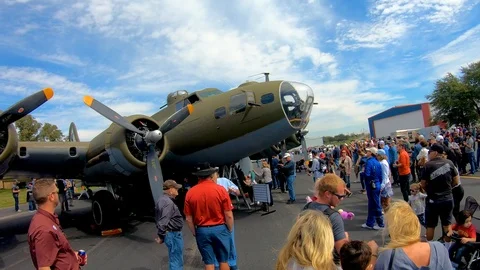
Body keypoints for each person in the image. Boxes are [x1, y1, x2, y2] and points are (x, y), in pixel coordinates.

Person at [27, 178, 87, 269]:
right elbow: (44, 268)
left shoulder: (48, 219)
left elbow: (56, 250)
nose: (58, 194)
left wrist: (72, 256)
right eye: (56, 192)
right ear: (51, 196)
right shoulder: (43, 229)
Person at [374, 200, 452, 270]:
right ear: (415, 224)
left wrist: (373, 255)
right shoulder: (438, 248)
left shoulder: (387, 257)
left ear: (393, 231)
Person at [184, 163, 234, 270]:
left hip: (202, 230)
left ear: (198, 176)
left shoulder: (190, 193)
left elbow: (188, 218)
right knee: (223, 260)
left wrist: (194, 232)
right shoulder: (221, 190)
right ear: (211, 175)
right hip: (220, 228)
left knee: (209, 263)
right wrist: (229, 228)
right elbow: (228, 214)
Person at [303, 174, 349, 267]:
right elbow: (343, 252)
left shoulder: (307, 207)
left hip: (306, 260)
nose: (342, 199)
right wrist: (346, 238)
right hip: (326, 263)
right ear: (327, 194)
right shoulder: (334, 217)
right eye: (339, 196)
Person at [420, 143, 459, 241]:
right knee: (447, 225)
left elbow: (423, 183)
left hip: (433, 200)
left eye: (430, 152)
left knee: (431, 226)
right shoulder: (449, 163)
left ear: (435, 152)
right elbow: (456, 181)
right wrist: (448, 188)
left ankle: (430, 248)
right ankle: (447, 249)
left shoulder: (428, 165)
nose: (429, 154)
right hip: (447, 198)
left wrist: (429, 191)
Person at [154, 180, 184, 270]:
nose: (177, 191)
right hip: (173, 234)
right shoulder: (168, 202)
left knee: (174, 259)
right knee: (177, 261)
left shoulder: (162, 200)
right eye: (176, 189)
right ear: (171, 190)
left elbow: (158, 219)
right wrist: (162, 236)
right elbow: (162, 222)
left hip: (171, 234)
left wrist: (162, 236)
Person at [214, 174, 240, 270]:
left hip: (224, 215)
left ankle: (231, 263)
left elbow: (237, 192)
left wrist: (233, 191)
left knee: (229, 242)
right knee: (220, 243)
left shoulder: (224, 181)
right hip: (218, 217)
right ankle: (220, 264)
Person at [362, 147, 384, 230]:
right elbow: (380, 175)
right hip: (377, 183)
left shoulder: (369, 162)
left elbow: (367, 174)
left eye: (368, 151)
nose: (366, 152)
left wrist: (363, 174)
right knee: (372, 203)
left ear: (371, 153)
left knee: (375, 204)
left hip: (371, 184)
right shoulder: (377, 162)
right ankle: (370, 222)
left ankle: (380, 223)